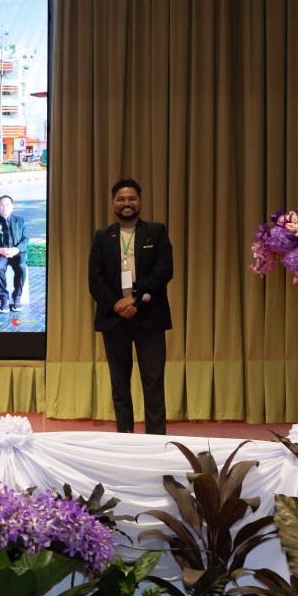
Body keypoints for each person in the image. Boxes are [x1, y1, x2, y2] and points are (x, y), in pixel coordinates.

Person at [88, 178, 174, 435]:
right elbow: (95, 278)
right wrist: (117, 304)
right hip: (115, 319)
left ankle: (156, 440)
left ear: (140, 202)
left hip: (150, 317)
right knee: (120, 385)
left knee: (153, 382)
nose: (127, 203)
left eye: (132, 198)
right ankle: (124, 437)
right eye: (121, 199)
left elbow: (164, 271)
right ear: (113, 204)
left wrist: (134, 297)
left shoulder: (156, 232)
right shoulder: (103, 236)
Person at [0, 195, 29, 313]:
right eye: (1, 205)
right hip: (1, 253)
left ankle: (17, 297)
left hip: (16, 252)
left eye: (7, 205)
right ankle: (4, 299)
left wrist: (16, 250)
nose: (4, 207)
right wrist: (0, 250)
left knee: (21, 267)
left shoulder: (20, 220)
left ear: (12, 206)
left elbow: (25, 239)